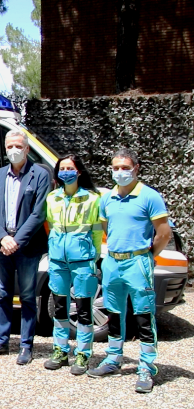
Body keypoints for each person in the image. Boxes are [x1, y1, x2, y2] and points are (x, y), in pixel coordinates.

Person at [87, 148, 171, 394]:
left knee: (144, 315)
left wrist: (147, 256)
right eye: (115, 168)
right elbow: (106, 227)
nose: (120, 172)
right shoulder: (107, 198)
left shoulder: (150, 196)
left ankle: (146, 367)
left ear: (136, 168)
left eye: (125, 167)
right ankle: (113, 358)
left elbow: (163, 233)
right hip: (113, 261)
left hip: (138, 262)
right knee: (114, 312)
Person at [0, 129, 50, 364]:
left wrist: (16, 240)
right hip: (1, 245)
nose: (14, 150)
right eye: (10, 146)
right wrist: (3, 238)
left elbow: (39, 213)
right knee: (3, 295)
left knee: (28, 296)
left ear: (27, 149)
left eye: (18, 146)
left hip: (27, 247)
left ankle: (25, 345)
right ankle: (1, 341)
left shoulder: (40, 175)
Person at [42, 154, 102, 374]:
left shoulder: (92, 199)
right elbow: (50, 225)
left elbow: (97, 230)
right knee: (60, 306)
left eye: (70, 168)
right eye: (62, 168)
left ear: (79, 172)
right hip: (58, 259)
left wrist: (94, 256)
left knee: (84, 308)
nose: (65, 172)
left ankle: (83, 353)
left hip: (83, 259)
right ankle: (60, 350)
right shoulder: (52, 197)